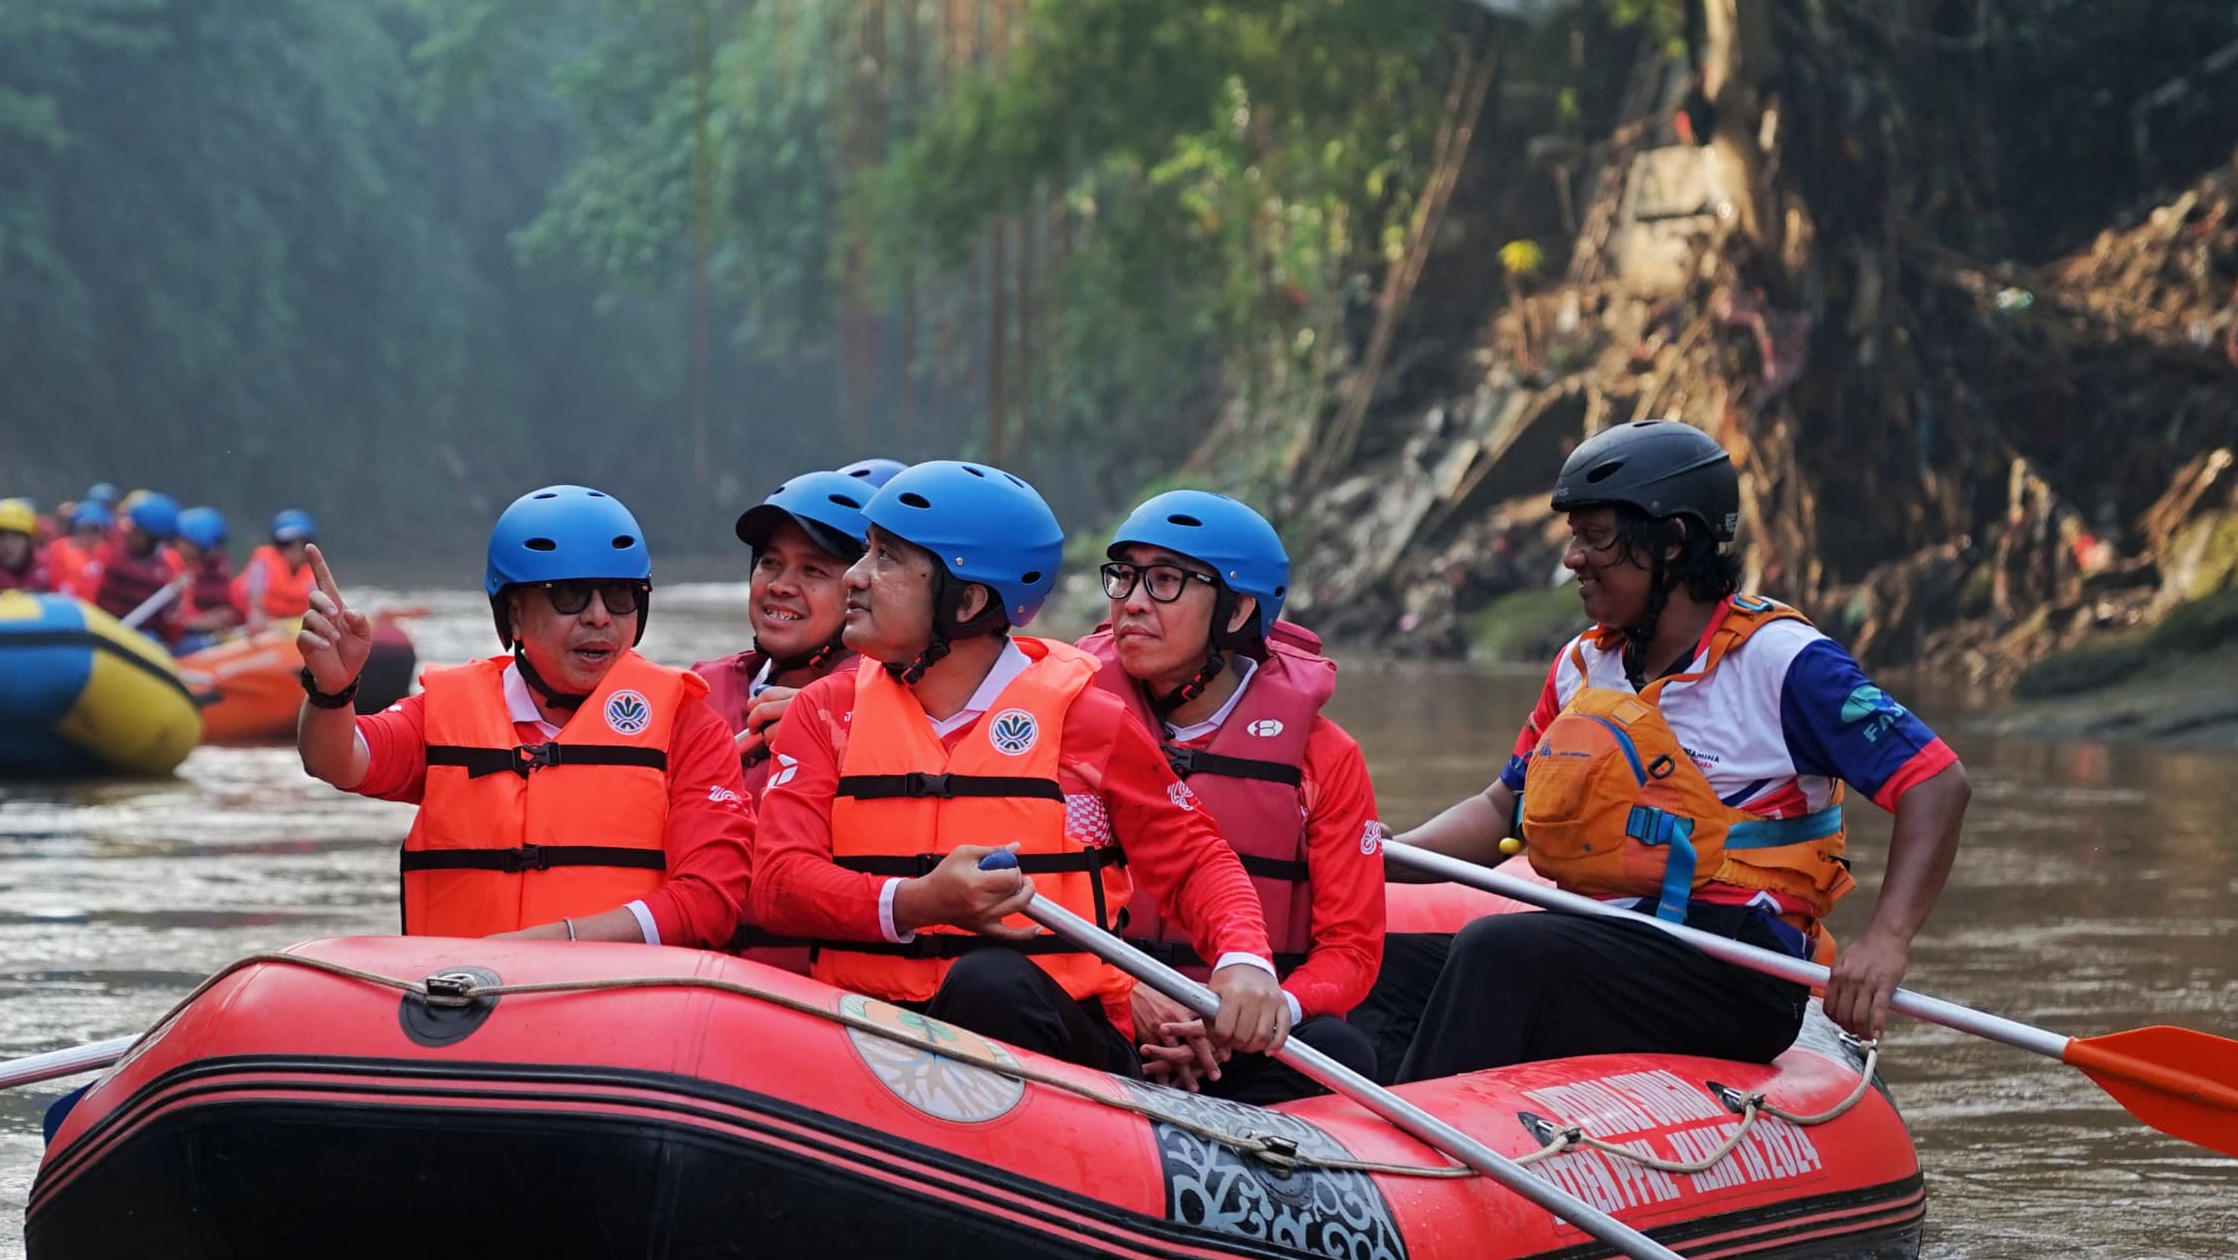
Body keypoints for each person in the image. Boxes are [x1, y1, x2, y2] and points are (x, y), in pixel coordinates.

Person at [1389, 419, 1971, 1078]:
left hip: (1736, 969)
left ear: (1671, 542)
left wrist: (1886, 940)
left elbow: (1936, 782)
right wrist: (1382, 855)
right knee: (1385, 967)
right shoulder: (1581, 666)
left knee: (1496, 950)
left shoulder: (1783, 662)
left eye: (1596, 537)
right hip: (1609, 940)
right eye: (1574, 537)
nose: (1573, 559)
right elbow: (1503, 809)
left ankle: (1404, 1135)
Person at [746, 460, 1288, 1081]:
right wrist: (917, 902)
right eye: (867, 551)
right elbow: (779, 884)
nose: (855, 576)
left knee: (990, 983)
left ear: (968, 600)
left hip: (1054, 1037)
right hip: (871, 1029)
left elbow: (1195, 861)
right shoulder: (826, 710)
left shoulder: (1089, 720)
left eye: (886, 557)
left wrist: (1244, 960)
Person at [292, 487, 748, 946]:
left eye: (619, 594)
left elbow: (708, 902)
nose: (598, 616)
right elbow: (336, 760)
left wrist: (558, 942)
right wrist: (331, 692)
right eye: (568, 594)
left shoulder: (689, 727)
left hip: (620, 988)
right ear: (513, 614)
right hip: (464, 988)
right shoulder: (444, 712)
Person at [1087, 491, 1390, 1099]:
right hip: (1101, 1010)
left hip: (1237, 1039)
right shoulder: (1066, 715)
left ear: (1237, 612)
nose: (1133, 602)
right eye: (1124, 577)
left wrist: (1252, 1013)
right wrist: (1119, 989)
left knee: (1341, 1049)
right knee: (1000, 987)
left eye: (1165, 581)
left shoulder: (1325, 757)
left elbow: (1351, 950)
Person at [688, 469, 873, 772]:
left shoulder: (889, 709)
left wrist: (827, 724)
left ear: (863, 589)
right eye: (770, 562)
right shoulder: (699, 692)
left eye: (812, 569)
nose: (780, 585)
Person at [85, 494, 184, 624]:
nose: (131, 533)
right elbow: (88, 595)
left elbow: (170, 625)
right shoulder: (110, 550)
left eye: (138, 532)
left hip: (139, 632)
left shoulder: (169, 567)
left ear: (154, 539)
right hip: (100, 623)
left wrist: (173, 603)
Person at [236, 510, 323, 627]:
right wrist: (259, 617)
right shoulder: (263, 562)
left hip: (294, 626)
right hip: (262, 625)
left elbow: (318, 605)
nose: (295, 551)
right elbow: (253, 599)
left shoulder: (312, 571)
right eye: (287, 544)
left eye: (301, 545)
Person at [172, 504, 245, 642]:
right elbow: (174, 616)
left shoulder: (218, 567)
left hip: (206, 634)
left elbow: (234, 604)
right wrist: (202, 621)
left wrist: (230, 615)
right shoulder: (172, 564)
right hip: (178, 637)